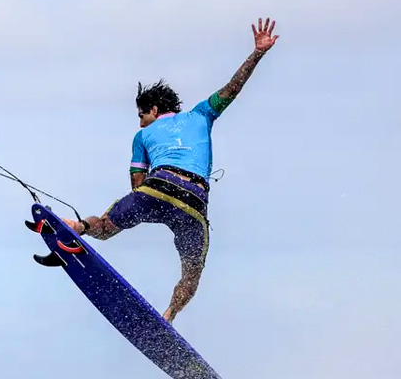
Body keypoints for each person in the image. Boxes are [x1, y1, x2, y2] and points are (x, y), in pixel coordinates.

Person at [63, 17, 280, 324]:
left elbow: (138, 185)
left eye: (142, 115)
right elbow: (233, 88)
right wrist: (257, 53)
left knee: (107, 227)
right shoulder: (202, 114)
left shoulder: (142, 136)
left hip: (157, 187)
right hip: (193, 203)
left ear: (154, 110)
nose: (140, 122)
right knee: (192, 273)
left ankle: (78, 227)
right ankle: (169, 315)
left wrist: (131, 214)